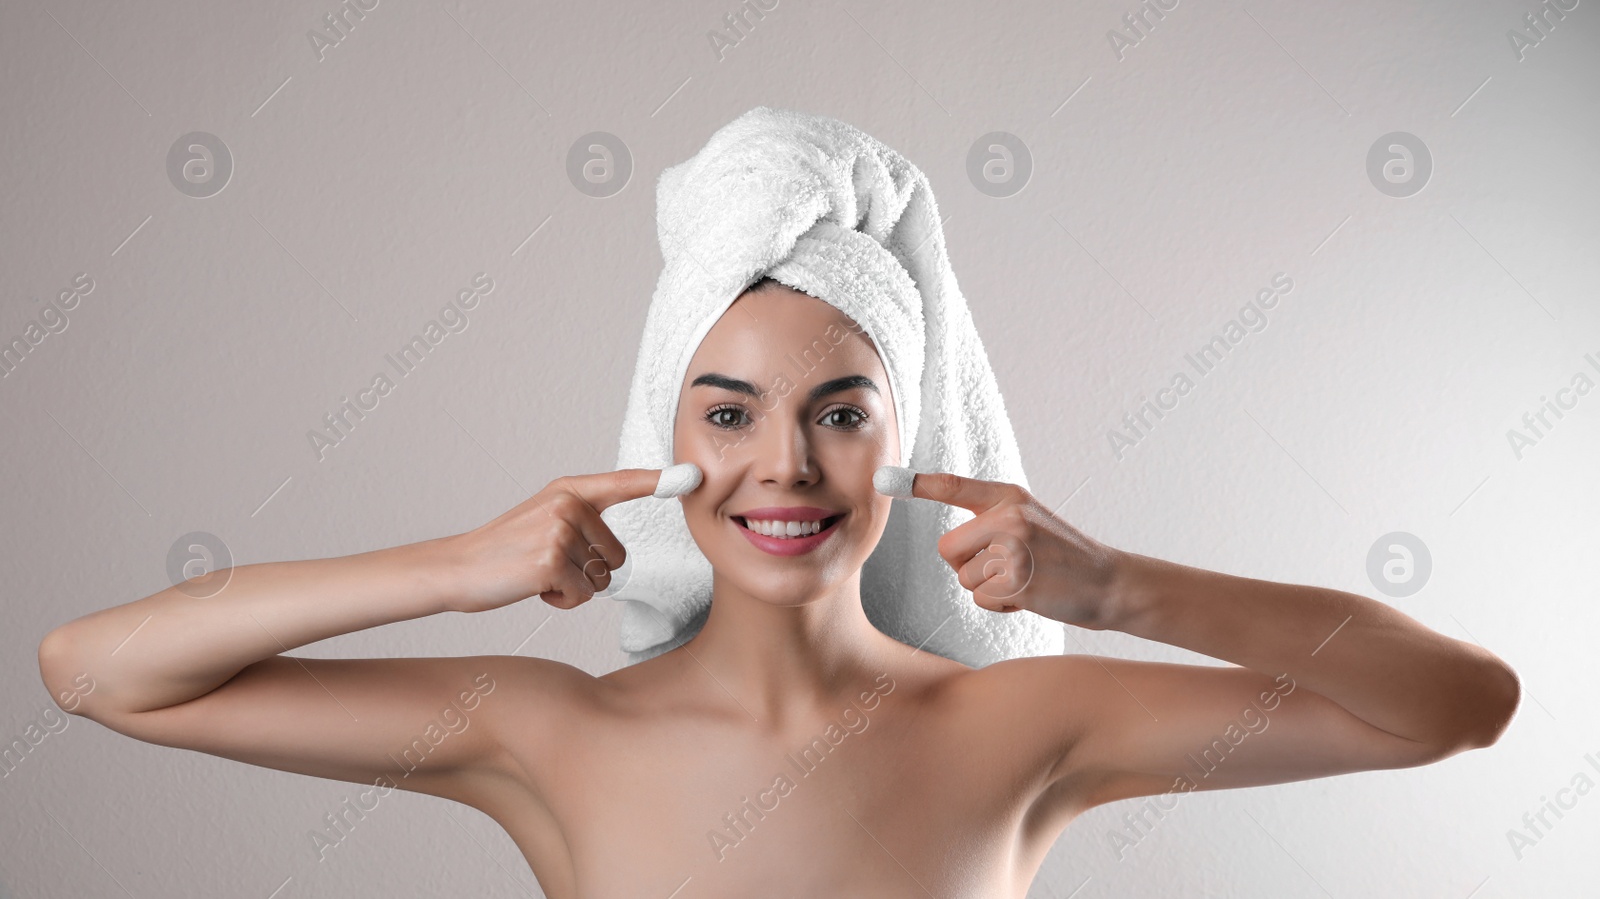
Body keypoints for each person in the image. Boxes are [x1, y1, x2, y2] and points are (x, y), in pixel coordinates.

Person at [37, 274, 1519, 898]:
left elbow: (1456, 705)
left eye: (843, 410)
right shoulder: (548, 733)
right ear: (666, 444)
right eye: (729, 411)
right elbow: (92, 672)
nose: (787, 467)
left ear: (901, 443)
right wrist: (458, 569)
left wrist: (1120, 585)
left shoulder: (1026, 727)